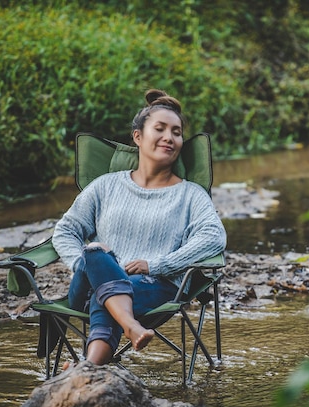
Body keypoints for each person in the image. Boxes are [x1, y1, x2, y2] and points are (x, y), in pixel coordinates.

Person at [52, 89, 227, 366]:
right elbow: (65, 231)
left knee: (107, 292)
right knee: (96, 252)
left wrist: (156, 265)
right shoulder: (106, 185)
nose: (169, 137)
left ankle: (86, 368)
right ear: (137, 136)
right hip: (87, 287)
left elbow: (214, 237)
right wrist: (84, 264)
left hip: (153, 287)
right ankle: (130, 328)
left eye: (177, 132)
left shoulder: (190, 195)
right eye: (160, 129)